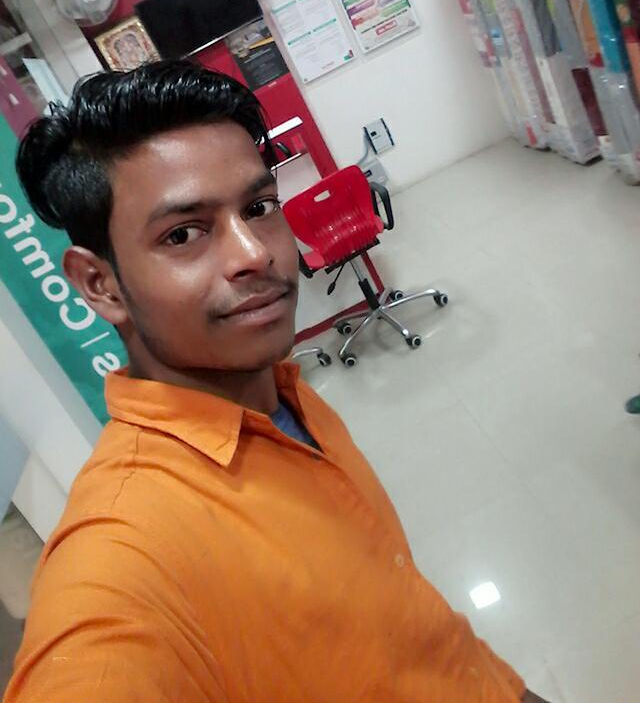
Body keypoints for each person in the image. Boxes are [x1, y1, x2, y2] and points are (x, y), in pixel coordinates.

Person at [5, 61, 547, 702]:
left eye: (259, 208)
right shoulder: (123, 551)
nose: (255, 252)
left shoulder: (284, 391)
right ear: (101, 285)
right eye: (183, 234)